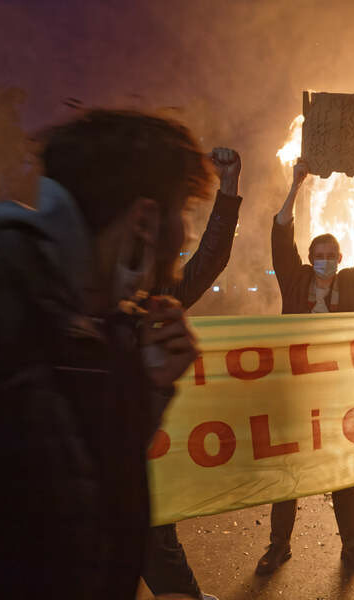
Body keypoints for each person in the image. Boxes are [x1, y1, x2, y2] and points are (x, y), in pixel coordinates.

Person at [0, 110, 205, 599]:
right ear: (145, 221)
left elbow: (82, 492)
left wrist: (149, 389)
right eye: (184, 218)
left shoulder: (98, 328)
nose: (184, 243)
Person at [255, 158, 354, 577]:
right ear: (310, 258)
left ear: (340, 258)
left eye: (332, 255)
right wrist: (296, 184)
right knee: (289, 473)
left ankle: (353, 548)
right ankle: (279, 546)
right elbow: (280, 231)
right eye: (319, 255)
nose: (326, 260)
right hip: (294, 391)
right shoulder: (294, 282)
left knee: (342, 471)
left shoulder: (352, 284)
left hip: (339, 394)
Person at [143, 147, 242, 600]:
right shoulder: (67, 303)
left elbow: (210, 258)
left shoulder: (161, 296)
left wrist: (229, 187)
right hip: (84, 492)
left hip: (141, 474)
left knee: (160, 552)